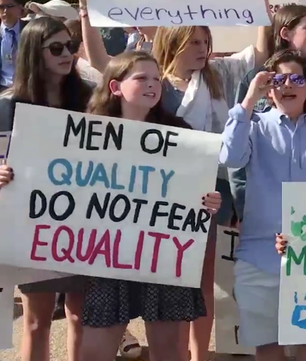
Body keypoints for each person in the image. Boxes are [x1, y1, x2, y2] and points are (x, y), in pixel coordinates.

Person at [75, 0, 273, 361]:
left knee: (195, 288)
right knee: (108, 317)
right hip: (124, 220)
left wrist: (263, 0)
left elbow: (260, 54)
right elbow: (102, 62)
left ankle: (198, 355)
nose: (202, 48)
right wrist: (85, 8)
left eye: (206, 40)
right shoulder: (146, 86)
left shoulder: (215, 78)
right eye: (194, 41)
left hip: (188, 206)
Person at [49, 51, 219, 359]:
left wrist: (208, 200)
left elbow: (194, 194)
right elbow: (56, 184)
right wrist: (11, 177)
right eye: (141, 78)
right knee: (95, 351)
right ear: (115, 87)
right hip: (109, 257)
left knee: (170, 352)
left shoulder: (181, 133)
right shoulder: (88, 133)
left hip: (163, 256)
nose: (152, 84)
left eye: (156, 78)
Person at [221, 50, 306, 361]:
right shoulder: (254, 124)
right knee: (268, 348)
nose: (288, 85)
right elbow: (230, 157)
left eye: (297, 78)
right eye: (279, 79)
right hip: (259, 256)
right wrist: (249, 99)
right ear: (269, 88)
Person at [0, 16, 91, 361]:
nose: (67, 54)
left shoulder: (88, 97)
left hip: (85, 220)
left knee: (81, 316)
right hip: (34, 224)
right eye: (56, 48)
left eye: (70, 46)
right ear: (34, 51)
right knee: (36, 321)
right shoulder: (8, 104)